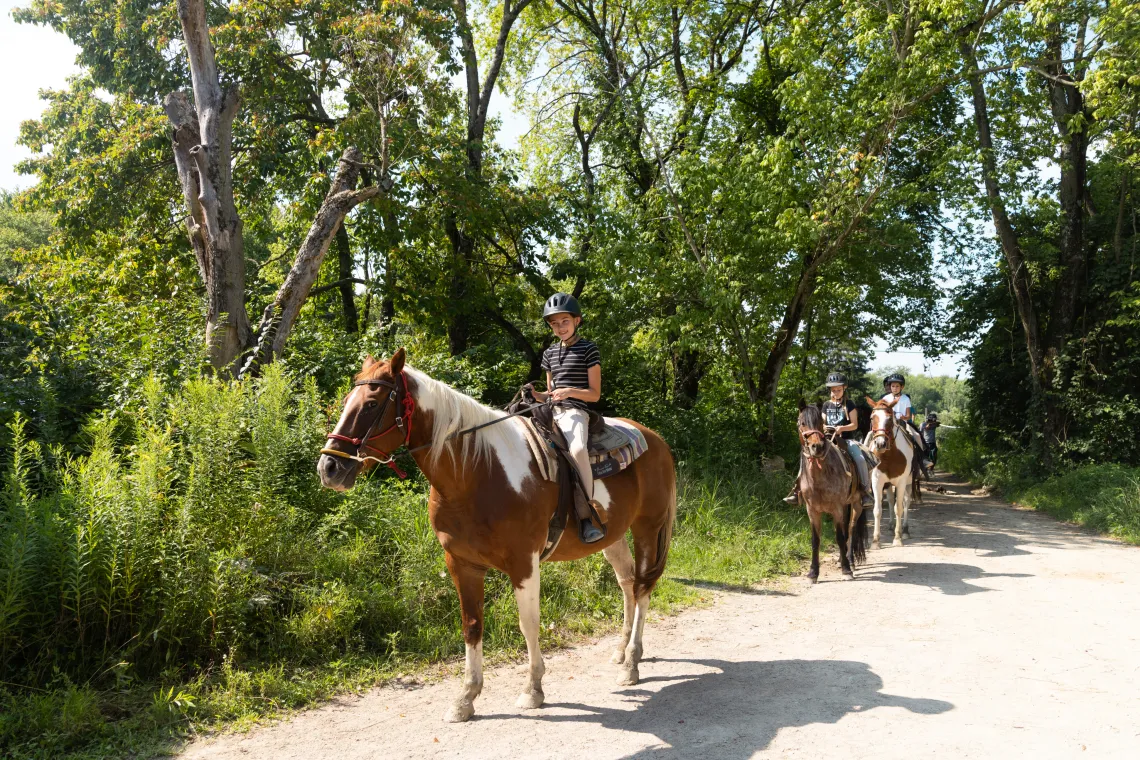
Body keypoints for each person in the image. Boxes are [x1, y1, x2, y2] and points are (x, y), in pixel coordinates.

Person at [529, 293, 606, 544]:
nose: (560, 327)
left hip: (576, 412)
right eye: (555, 323)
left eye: (565, 321)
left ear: (577, 321)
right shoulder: (549, 353)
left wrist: (570, 392)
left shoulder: (588, 349)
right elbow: (550, 393)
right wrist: (536, 395)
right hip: (551, 412)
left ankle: (588, 515)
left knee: (578, 449)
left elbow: (594, 394)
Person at [784, 372, 875, 508]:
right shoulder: (826, 405)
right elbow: (822, 421)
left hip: (846, 439)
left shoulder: (849, 405)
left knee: (860, 459)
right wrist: (824, 427)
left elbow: (854, 425)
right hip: (827, 439)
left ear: (844, 388)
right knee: (806, 456)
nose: (836, 392)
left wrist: (841, 428)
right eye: (833, 390)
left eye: (838, 390)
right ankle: (797, 491)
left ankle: (865, 491)